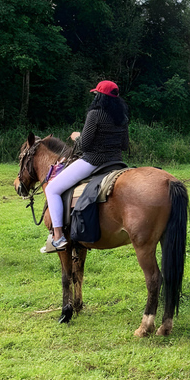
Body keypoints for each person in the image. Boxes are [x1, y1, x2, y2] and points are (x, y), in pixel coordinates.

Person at [40, 80, 130, 253]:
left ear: (100, 97)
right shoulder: (122, 118)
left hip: (93, 162)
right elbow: (124, 145)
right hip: (116, 163)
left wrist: (76, 136)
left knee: (52, 189)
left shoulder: (95, 114)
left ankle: (58, 237)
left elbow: (85, 146)